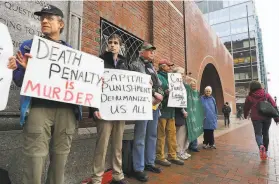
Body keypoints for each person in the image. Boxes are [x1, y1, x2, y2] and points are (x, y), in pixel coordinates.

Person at [7, 5, 82, 184]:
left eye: (50, 18)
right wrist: (22, 69)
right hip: (38, 109)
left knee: (60, 162)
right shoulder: (28, 46)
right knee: (34, 161)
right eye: (42, 18)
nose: (44, 21)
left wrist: (94, 83)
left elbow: (80, 81)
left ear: (61, 24)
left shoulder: (72, 53)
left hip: (66, 111)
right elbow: (18, 80)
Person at [88, 34, 129, 184]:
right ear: (107, 45)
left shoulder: (125, 63)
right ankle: (97, 178)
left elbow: (130, 86)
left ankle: (118, 175)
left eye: (116, 43)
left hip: (120, 110)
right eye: (110, 42)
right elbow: (92, 85)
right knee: (102, 145)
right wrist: (94, 109)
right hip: (103, 110)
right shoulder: (99, 61)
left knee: (117, 145)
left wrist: (146, 85)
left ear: (120, 46)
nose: (112, 45)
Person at [128, 43, 164, 182]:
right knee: (140, 136)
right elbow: (135, 83)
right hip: (143, 105)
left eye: (153, 51)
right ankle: (138, 167)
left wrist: (158, 97)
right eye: (149, 51)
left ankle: (149, 162)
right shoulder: (135, 65)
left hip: (155, 106)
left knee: (152, 135)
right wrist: (154, 93)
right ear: (141, 52)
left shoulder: (152, 68)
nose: (152, 53)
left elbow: (159, 85)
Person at [155, 59, 184, 167]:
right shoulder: (159, 77)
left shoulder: (172, 77)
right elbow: (159, 90)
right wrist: (166, 92)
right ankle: (160, 156)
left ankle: (172, 155)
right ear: (162, 66)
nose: (170, 68)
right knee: (161, 135)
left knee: (172, 134)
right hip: (162, 110)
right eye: (168, 66)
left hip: (171, 110)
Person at [243, 81, 279, 160]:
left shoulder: (249, 97)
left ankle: (260, 146)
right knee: (265, 133)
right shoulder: (266, 94)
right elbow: (274, 105)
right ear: (260, 86)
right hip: (267, 117)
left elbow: (246, 108)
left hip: (256, 118)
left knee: (258, 133)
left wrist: (245, 115)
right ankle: (265, 151)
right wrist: (276, 118)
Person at [172, 67, 190, 160]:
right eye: (181, 73)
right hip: (177, 111)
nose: (183, 75)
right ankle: (178, 151)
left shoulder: (182, 84)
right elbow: (177, 98)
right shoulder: (175, 84)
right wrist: (183, 110)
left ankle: (182, 150)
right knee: (178, 133)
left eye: (183, 73)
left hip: (182, 110)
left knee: (182, 133)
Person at [187, 80, 204, 153]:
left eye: (194, 86)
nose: (194, 87)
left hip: (195, 114)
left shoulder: (197, 93)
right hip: (189, 113)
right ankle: (191, 145)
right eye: (192, 86)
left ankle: (194, 145)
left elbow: (199, 103)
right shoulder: (188, 93)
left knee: (194, 129)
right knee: (190, 130)